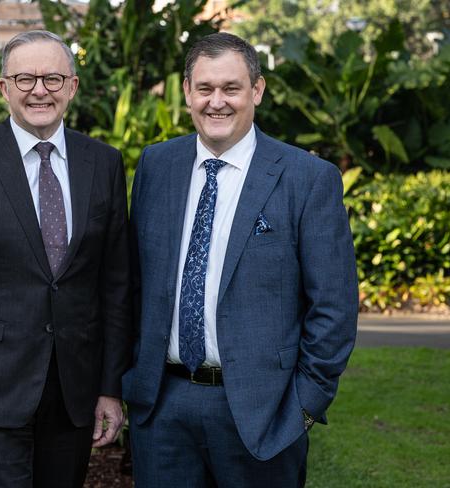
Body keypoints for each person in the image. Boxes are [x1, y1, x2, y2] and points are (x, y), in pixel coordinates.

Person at [123, 32, 358, 487]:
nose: (217, 102)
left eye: (231, 88)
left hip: (262, 411)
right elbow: (131, 283)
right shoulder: (156, 166)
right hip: (163, 409)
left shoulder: (307, 178)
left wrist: (305, 404)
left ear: (257, 90)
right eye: (205, 88)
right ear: (187, 92)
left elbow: (334, 306)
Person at [0, 30, 131, 488]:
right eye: (26, 78)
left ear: (72, 86)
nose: (39, 90)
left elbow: (115, 286)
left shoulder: (104, 164)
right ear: (4, 88)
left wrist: (110, 387)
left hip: (74, 392)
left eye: (53, 78)